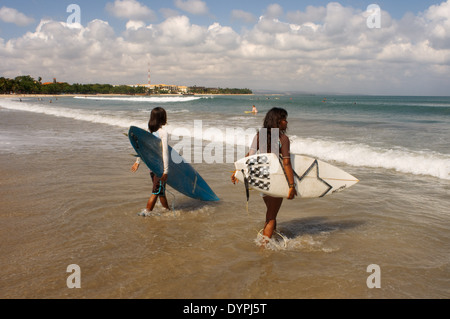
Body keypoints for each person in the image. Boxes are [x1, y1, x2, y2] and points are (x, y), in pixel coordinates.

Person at [232, 107, 297, 239]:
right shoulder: (283, 139)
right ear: (278, 121)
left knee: (271, 212)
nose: (286, 122)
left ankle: (271, 238)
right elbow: (286, 163)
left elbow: (249, 157)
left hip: (261, 180)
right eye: (284, 119)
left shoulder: (259, 135)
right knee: (271, 216)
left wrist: (237, 170)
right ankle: (264, 248)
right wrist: (291, 185)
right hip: (275, 180)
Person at [131, 107, 170, 215]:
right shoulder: (162, 132)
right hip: (159, 168)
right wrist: (165, 171)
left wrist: (137, 161)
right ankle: (146, 213)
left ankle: (167, 211)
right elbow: (165, 152)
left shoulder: (148, 132)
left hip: (151, 166)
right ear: (163, 118)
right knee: (156, 191)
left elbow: (142, 148)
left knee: (161, 191)